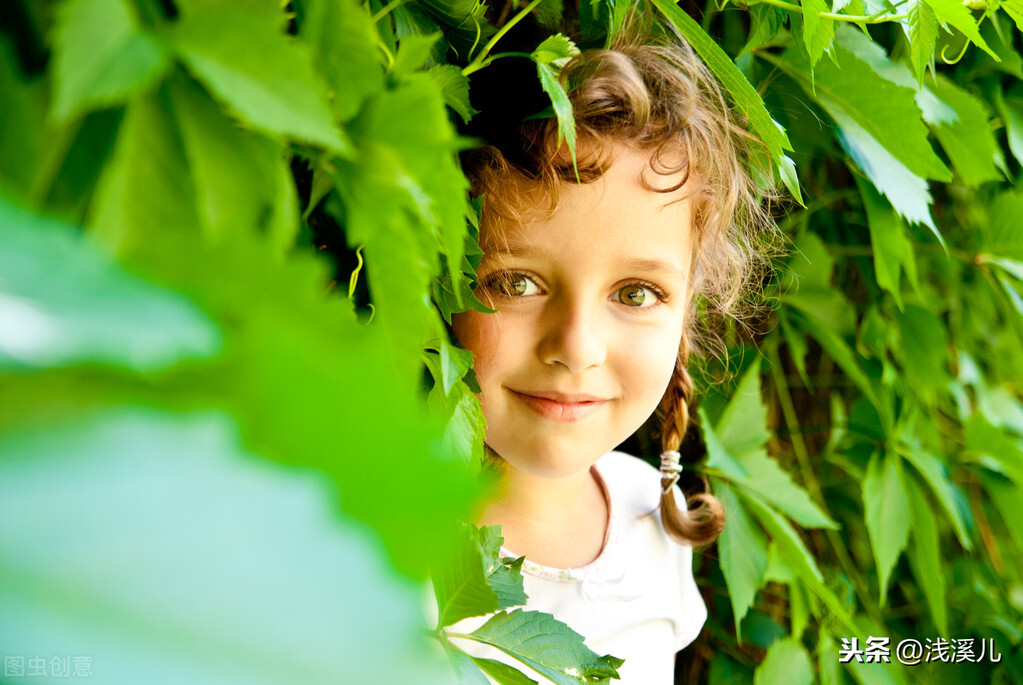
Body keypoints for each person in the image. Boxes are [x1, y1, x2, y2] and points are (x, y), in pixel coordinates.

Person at [446, 9, 779, 683]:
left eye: (634, 294)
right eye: (515, 281)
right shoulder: (373, 549)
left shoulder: (650, 519)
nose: (576, 346)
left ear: (688, 312)